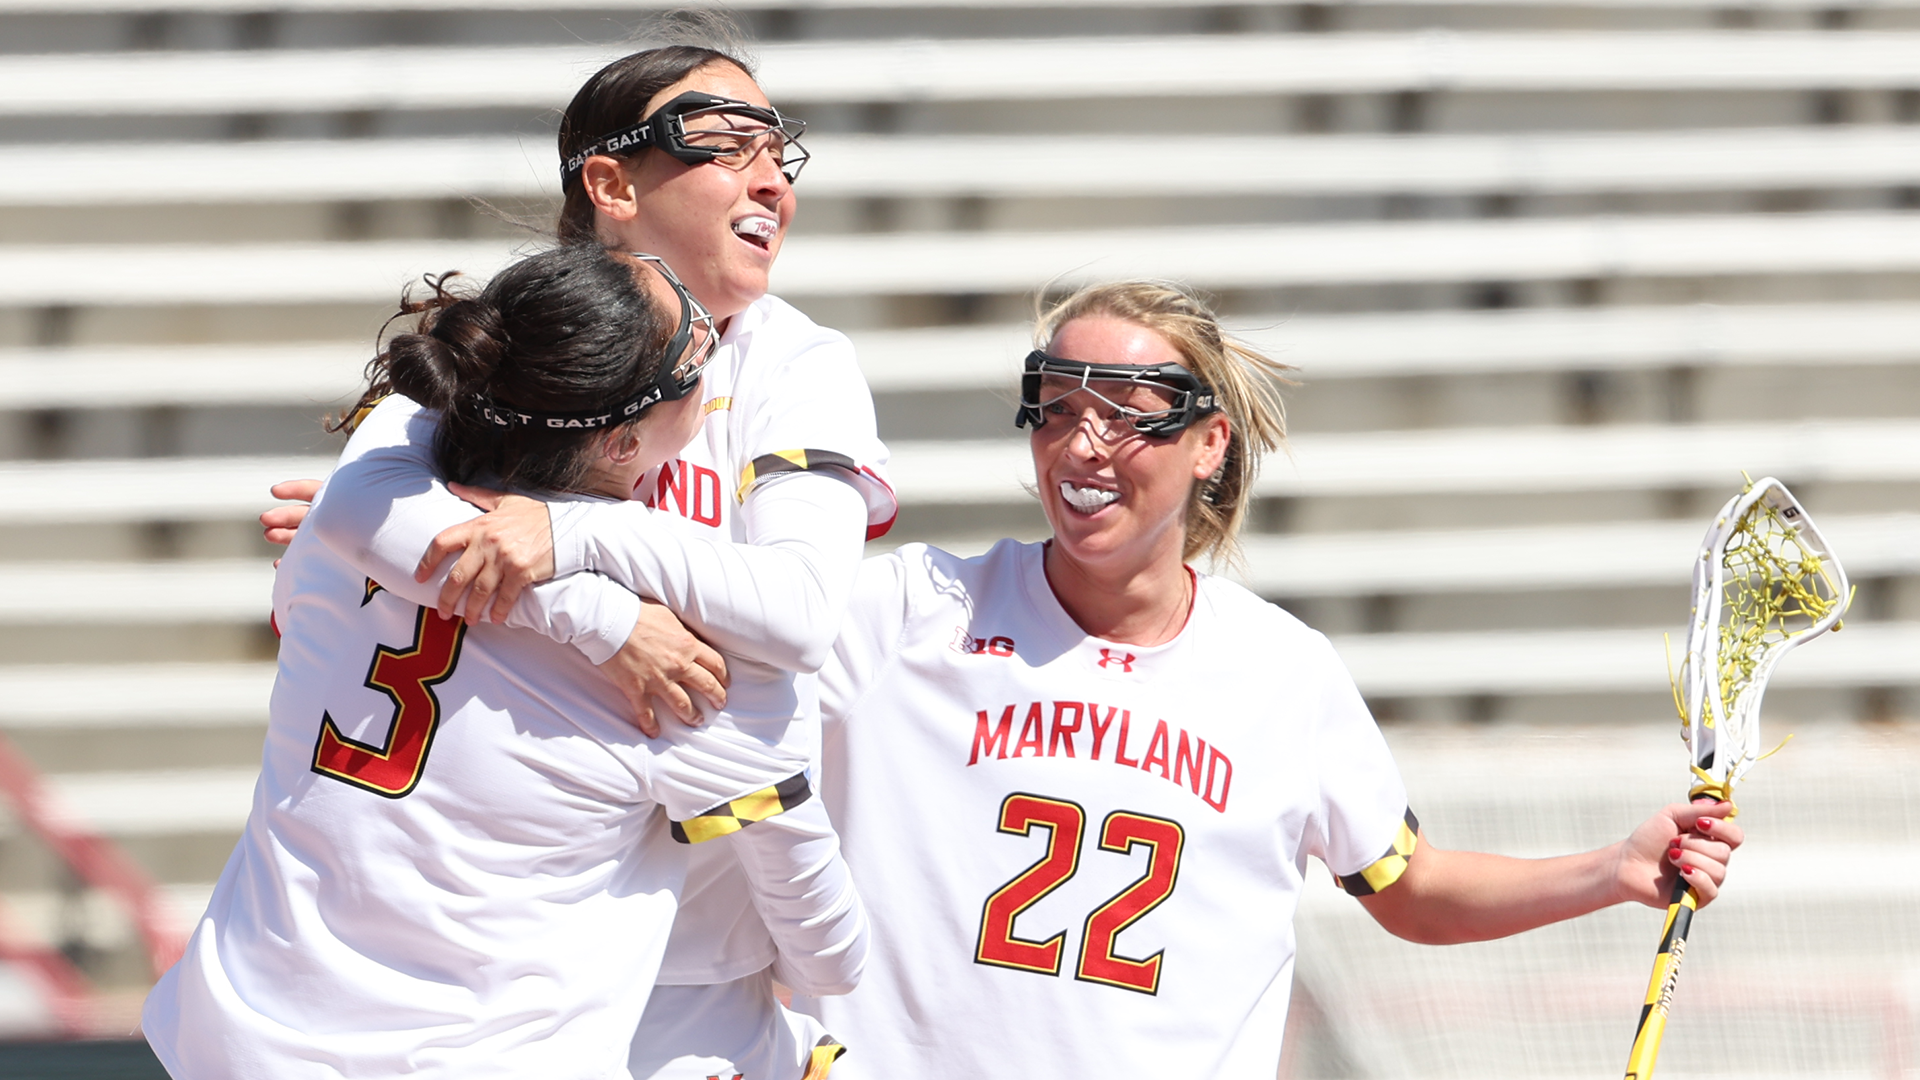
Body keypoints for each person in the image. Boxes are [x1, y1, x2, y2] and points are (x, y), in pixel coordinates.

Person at [778, 280, 1743, 1077]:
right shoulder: (909, 610)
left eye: (1129, 417)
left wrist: (1614, 871)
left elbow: (1412, 890)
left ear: (1210, 443)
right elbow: (717, 708)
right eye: (1059, 408)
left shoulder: (1284, 674)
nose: (1082, 444)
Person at [261, 40, 894, 1080]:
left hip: (684, 976)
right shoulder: (511, 336)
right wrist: (610, 621)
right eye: (726, 143)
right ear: (611, 184)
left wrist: (570, 536)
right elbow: (355, 508)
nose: (772, 178)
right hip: (495, 951)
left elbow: (799, 612)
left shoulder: (795, 361)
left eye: (780, 151)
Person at [144, 244, 867, 1080]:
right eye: (696, 343)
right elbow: (830, 958)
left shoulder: (350, 516)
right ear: (623, 442)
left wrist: (582, 574)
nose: (715, 343)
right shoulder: (688, 669)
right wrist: (612, 618)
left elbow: (362, 505)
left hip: (235, 1037)